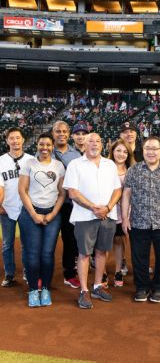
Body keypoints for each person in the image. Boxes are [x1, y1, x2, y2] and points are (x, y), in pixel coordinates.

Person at [63, 133, 122, 309]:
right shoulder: (75, 164)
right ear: (84, 145)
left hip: (107, 215)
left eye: (98, 140)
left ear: (102, 145)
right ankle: (84, 290)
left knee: (102, 252)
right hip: (84, 216)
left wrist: (108, 207)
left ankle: (97, 286)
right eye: (91, 141)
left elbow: (117, 190)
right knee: (84, 253)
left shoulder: (109, 164)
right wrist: (93, 208)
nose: (94, 144)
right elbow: (72, 192)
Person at [122, 136, 160, 303]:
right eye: (148, 148)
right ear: (143, 150)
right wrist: (125, 218)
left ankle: (159, 288)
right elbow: (126, 194)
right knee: (139, 257)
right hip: (139, 221)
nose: (151, 152)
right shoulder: (134, 170)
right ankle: (142, 287)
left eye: (154, 148)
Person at [18, 133, 66, 307]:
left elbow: (62, 193)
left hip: (52, 215)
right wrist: (34, 214)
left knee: (47, 255)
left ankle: (45, 288)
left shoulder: (59, 166)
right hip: (31, 214)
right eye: (41, 144)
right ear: (36, 145)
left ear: (52, 146)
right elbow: (22, 190)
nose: (44, 147)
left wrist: (52, 214)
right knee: (32, 255)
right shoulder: (28, 164)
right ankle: (32, 290)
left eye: (47, 144)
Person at [0, 127, 33, 287]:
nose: (15, 141)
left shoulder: (32, 159)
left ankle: (27, 272)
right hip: (6, 209)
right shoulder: (1, 161)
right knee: (7, 243)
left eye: (17, 137)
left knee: (27, 243)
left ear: (23, 140)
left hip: (26, 209)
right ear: (7, 141)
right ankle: (9, 273)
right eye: (11, 138)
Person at [51, 120, 82, 289]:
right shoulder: (45, 151)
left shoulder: (76, 155)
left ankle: (69, 273)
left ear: (69, 133)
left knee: (70, 240)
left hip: (70, 204)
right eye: (58, 131)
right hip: (50, 204)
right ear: (53, 132)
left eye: (64, 131)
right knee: (48, 239)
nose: (61, 134)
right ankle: (43, 272)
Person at [107, 139, 135, 287]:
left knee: (119, 240)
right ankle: (103, 272)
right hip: (108, 210)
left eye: (125, 151)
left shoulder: (132, 169)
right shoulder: (104, 166)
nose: (121, 154)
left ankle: (118, 270)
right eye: (118, 150)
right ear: (112, 151)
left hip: (126, 212)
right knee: (104, 242)